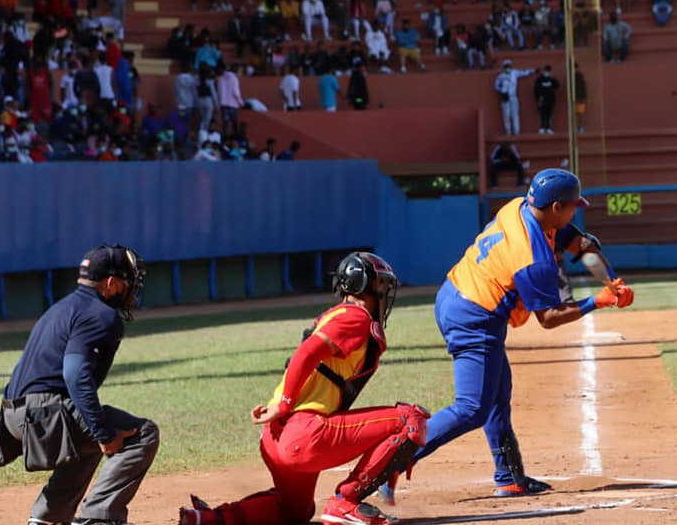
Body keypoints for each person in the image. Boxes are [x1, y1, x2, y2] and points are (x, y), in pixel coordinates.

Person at [379, 170, 633, 504]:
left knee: (498, 393)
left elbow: (582, 245)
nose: (576, 211)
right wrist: (597, 301)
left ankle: (510, 478)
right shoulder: (533, 257)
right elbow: (550, 318)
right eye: (572, 206)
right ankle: (392, 460)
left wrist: (610, 280)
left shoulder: (520, 207)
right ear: (556, 206)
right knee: (472, 407)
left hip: (458, 296)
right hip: (474, 316)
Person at [178, 252, 430, 525]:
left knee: (294, 512)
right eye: (381, 284)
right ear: (362, 285)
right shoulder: (355, 317)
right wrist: (284, 403)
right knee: (409, 419)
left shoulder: (336, 316)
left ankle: (208, 519)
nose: (384, 292)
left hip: (276, 439)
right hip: (303, 434)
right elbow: (305, 353)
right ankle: (345, 503)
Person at [0, 245, 158, 525]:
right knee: (141, 434)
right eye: (127, 281)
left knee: (90, 436)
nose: (130, 289)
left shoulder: (60, 308)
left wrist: (98, 432)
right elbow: (75, 375)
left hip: (11, 414)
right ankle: (98, 519)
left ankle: (48, 519)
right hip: (44, 414)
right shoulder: (102, 315)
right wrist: (105, 434)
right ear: (110, 283)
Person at [494, 59, 535, 137]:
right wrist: (502, 91)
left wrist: (532, 71)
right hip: (505, 97)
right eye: (506, 67)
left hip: (513, 97)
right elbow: (496, 86)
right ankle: (508, 132)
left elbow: (524, 73)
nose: (508, 68)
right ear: (504, 67)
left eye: (509, 66)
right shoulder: (501, 76)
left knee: (515, 114)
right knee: (506, 115)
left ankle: (516, 132)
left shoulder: (514, 73)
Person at [217, 62, 244, 136]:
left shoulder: (220, 77)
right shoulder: (234, 78)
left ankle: (225, 137)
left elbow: (219, 92)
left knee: (225, 123)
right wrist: (241, 102)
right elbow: (235, 92)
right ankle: (235, 136)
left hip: (223, 104)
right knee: (234, 122)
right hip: (232, 104)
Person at [534, 65, 559, 134]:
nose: (547, 72)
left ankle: (548, 128)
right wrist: (538, 98)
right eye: (546, 71)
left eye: (548, 71)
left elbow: (557, 85)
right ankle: (542, 127)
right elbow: (536, 90)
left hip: (550, 100)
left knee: (549, 114)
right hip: (542, 99)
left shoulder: (551, 79)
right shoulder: (539, 79)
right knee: (542, 114)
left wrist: (552, 78)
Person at [196, 66, 219, 131]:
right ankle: (205, 133)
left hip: (200, 101)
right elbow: (213, 94)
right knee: (208, 119)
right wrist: (216, 104)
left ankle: (201, 132)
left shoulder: (197, 82)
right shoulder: (210, 82)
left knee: (202, 119)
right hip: (208, 101)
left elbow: (195, 93)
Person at [574, 63, 587, 133]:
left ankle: (580, 127)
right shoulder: (570, 77)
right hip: (574, 98)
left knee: (580, 113)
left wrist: (584, 97)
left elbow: (583, 87)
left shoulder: (580, 76)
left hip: (580, 98)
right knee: (575, 113)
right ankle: (576, 127)